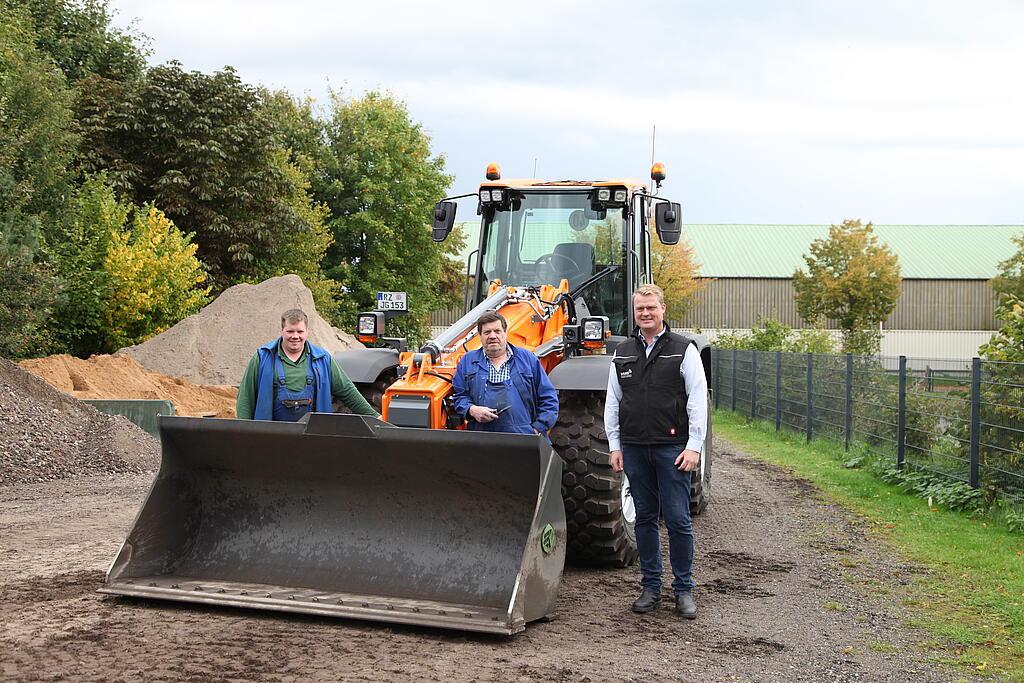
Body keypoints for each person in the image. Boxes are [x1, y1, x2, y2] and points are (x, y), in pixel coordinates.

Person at [605, 284, 708, 619]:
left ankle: (683, 590)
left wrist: (694, 446)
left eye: (651, 307)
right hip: (635, 449)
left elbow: (697, 400)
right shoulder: (623, 351)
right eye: (640, 309)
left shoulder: (683, 349)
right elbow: (613, 403)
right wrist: (615, 445)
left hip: (672, 450)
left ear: (663, 309)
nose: (645, 313)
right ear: (634, 313)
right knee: (645, 520)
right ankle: (650, 588)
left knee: (678, 520)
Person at [236, 308, 379, 421]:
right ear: (282, 331)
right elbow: (245, 397)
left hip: (312, 437)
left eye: (300, 331)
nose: (295, 336)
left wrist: (375, 416)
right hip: (270, 436)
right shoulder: (262, 357)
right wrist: (244, 432)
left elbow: (347, 390)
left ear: (307, 332)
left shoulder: (322, 359)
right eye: (290, 331)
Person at [452, 311, 559, 436]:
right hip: (481, 437)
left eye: (497, 331)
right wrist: (471, 410)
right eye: (487, 332)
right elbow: (459, 396)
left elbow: (548, 397)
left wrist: (537, 428)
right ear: (480, 336)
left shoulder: (527, 359)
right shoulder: (468, 361)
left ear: (505, 333)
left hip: (523, 437)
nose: (492, 336)